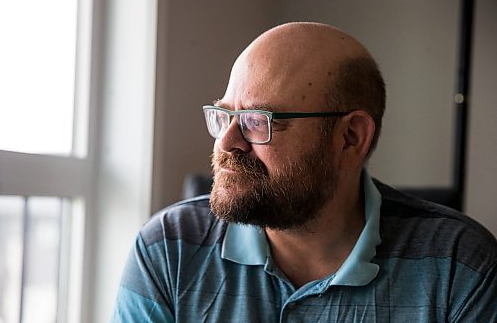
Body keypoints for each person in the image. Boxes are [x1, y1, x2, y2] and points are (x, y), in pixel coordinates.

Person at [111, 22, 497, 322]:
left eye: (257, 121)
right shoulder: (170, 250)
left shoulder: (459, 268)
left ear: (350, 137)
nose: (226, 143)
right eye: (224, 115)